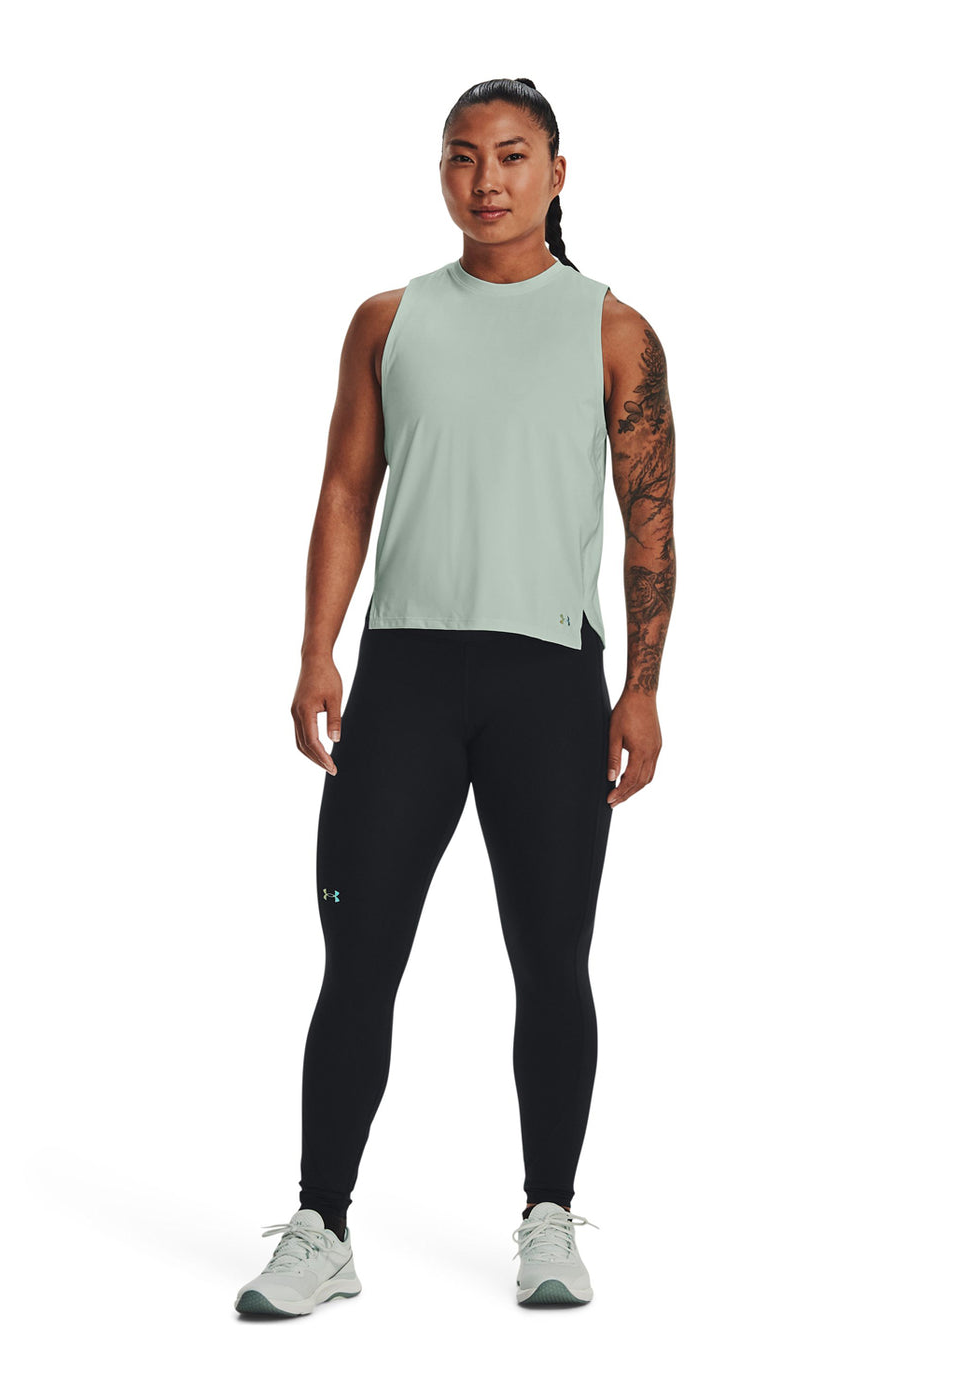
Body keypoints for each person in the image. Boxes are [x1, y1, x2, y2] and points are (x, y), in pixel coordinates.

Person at [234, 77, 677, 1316]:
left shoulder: (612, 330)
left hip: (548, 677)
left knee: (551, 960)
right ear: (440, 172)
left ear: (555, 173)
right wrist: (316, 651)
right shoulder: (389, 319)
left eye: (511, 156)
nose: (485, 181)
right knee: (358, 958)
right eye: (461, 157)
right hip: (405, 676)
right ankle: (321, 1226)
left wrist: (641, 686)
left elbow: (650, 522)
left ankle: (549, 1215)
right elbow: (345, 489)